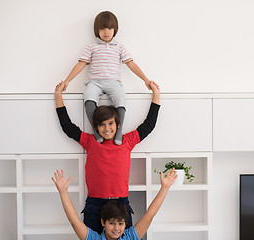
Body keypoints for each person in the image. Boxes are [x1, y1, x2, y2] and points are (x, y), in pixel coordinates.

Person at [54, 80, 160, 234]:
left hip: (121, 203)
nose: (107, 128)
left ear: (118, 124)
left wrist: (156, 95)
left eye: (111, 123)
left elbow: (148, 125)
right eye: (102, 124)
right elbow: (68, 127)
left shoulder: (127, 141)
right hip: (95, 204)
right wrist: (58, 96)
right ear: (96, 127)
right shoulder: (91, 142)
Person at [62, 10, 151, 145]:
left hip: (114, 82)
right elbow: (81, 64)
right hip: (95, 82)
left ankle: (118, 131)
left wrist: (146, 80)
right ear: (97, 30)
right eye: (102, 28)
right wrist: (67, 81)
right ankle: (97, 130)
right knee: (89, 98)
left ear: (114, 29)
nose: (106, 31)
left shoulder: (119, 47)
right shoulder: (91, 47)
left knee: (121, 98)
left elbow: (131, 64)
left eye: (109, 28)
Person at [52, 168, 177, 240]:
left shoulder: (129, 237)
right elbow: (75, 222)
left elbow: (150, 215)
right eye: (111, 223)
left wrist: (165, 187)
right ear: (103, 222)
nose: (116, 228)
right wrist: (63, 192)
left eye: (120, 224)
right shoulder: (94, 238)